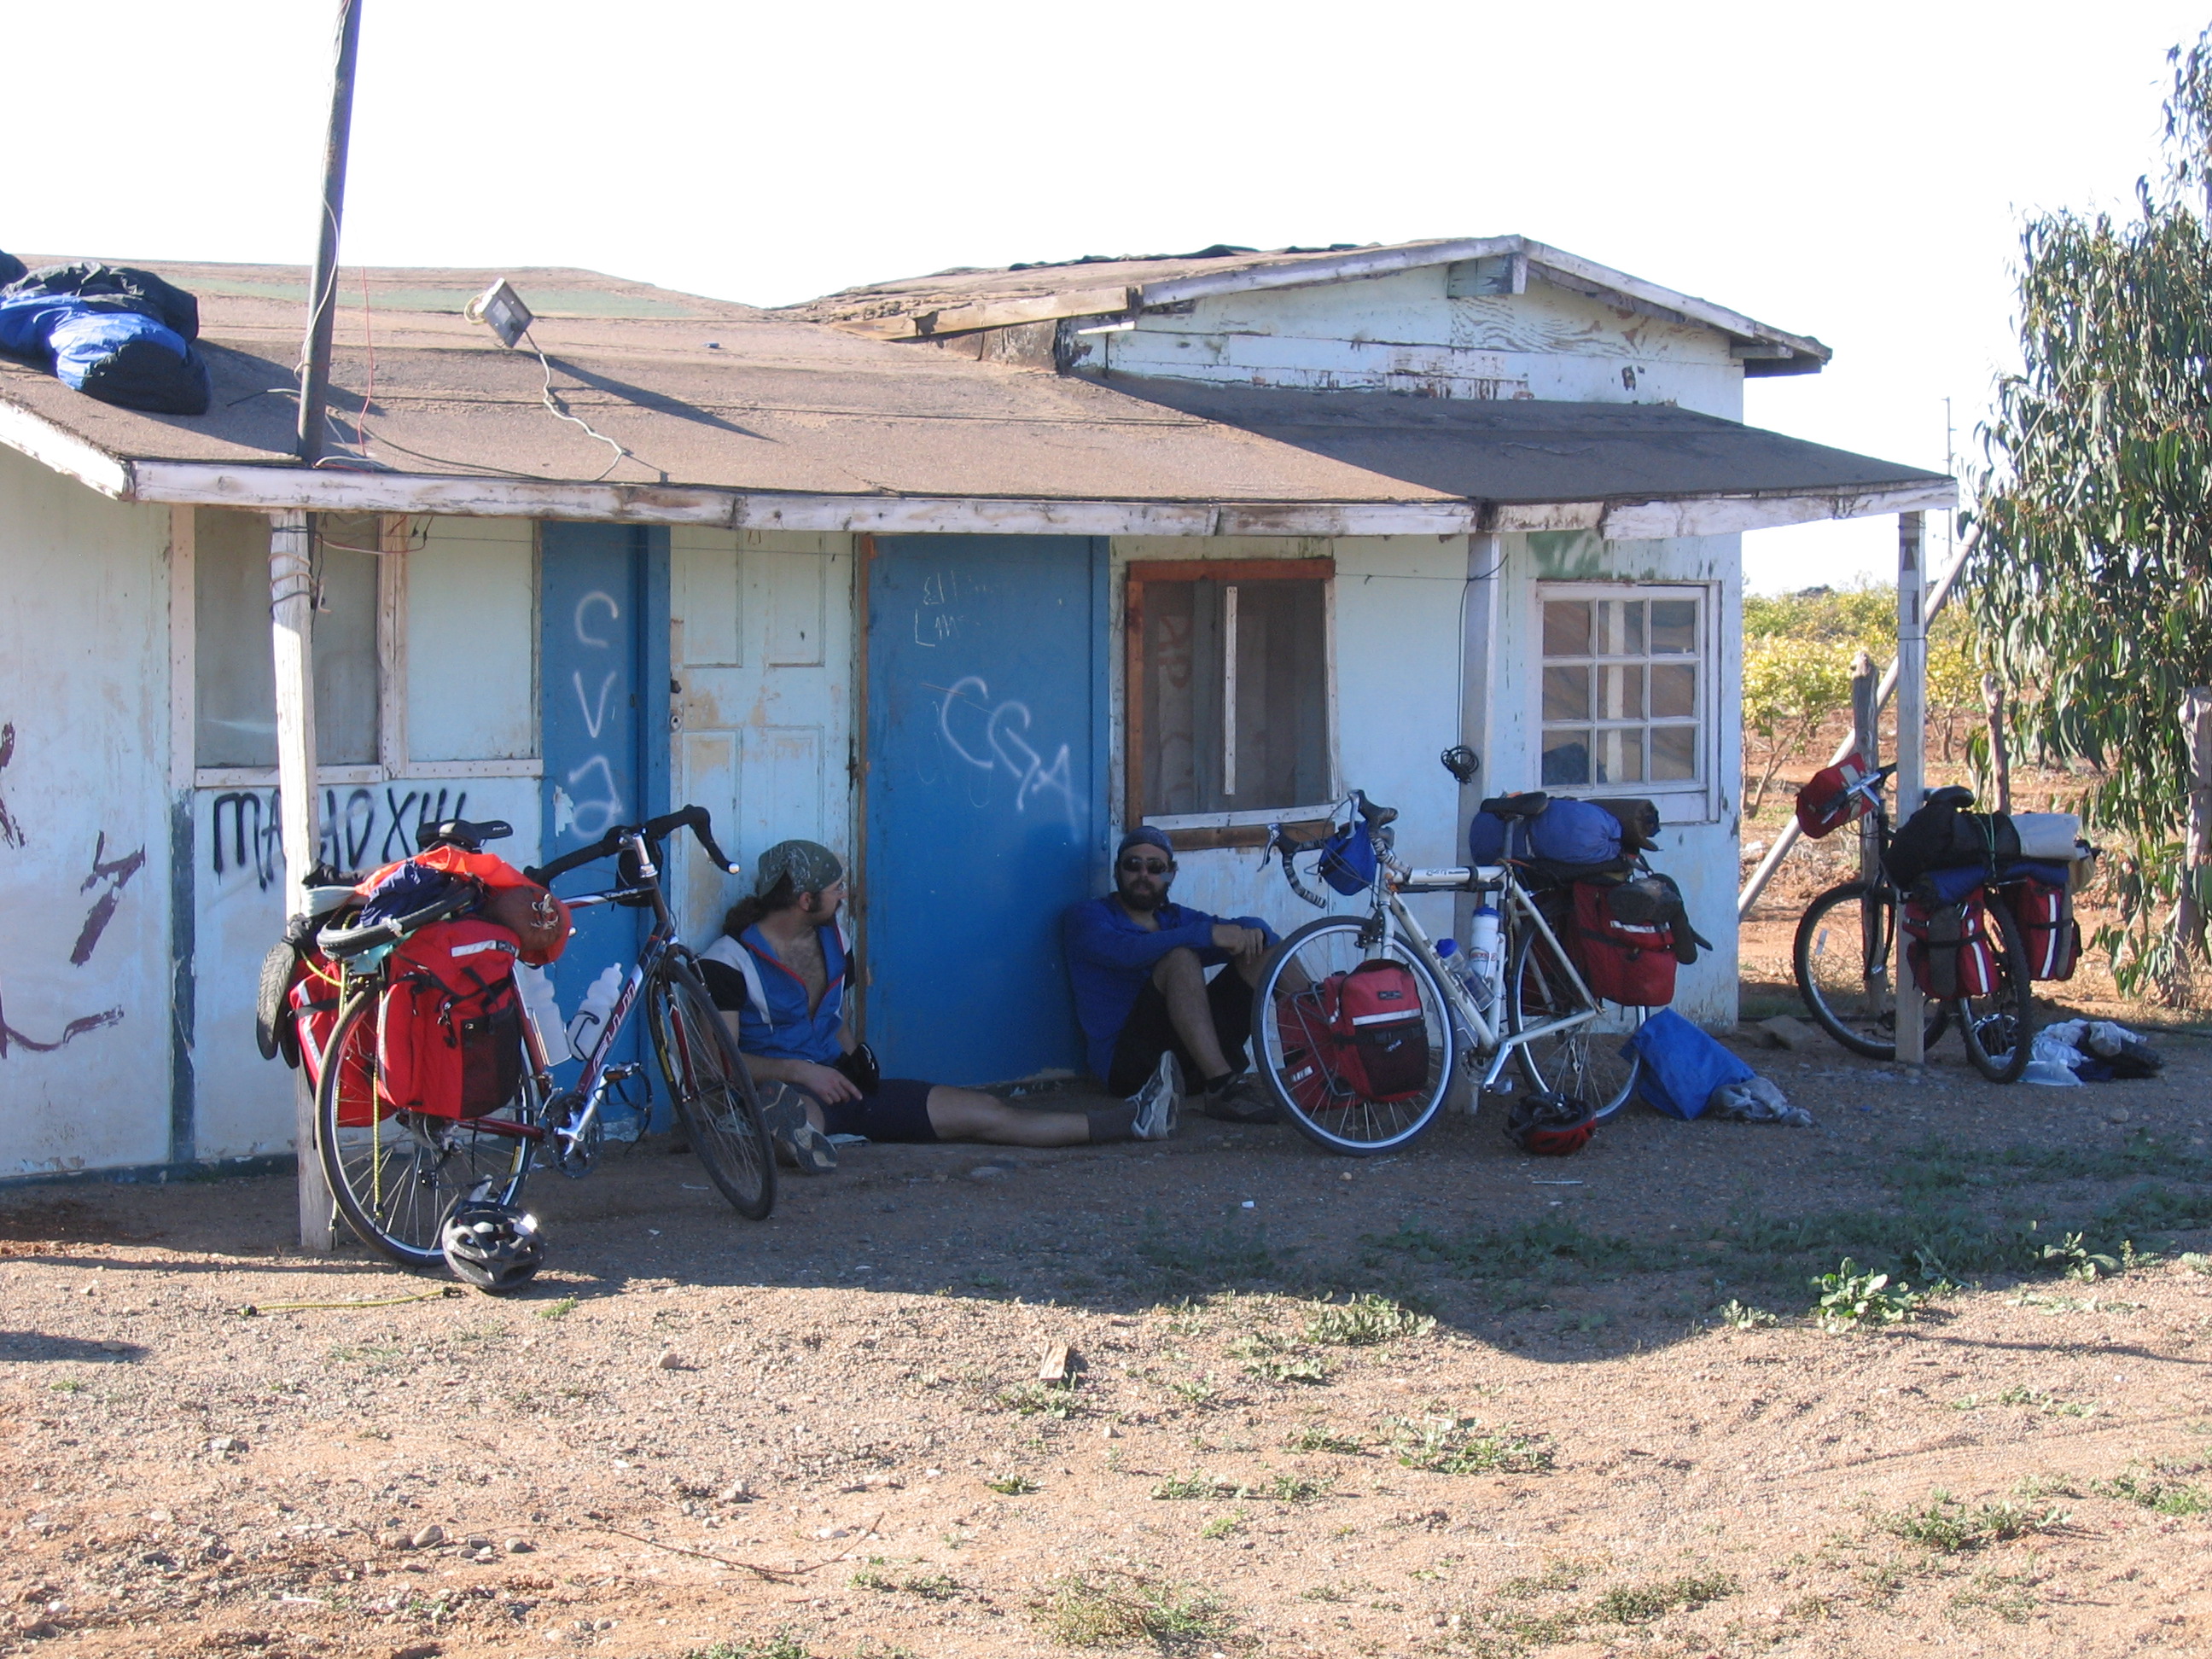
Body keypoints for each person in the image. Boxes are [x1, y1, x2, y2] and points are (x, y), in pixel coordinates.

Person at [697, 840, 1177, 1174]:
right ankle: (766, 1133)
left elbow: (832, 1022)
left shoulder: (833, 938)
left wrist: (852, 1060)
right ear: (805, 899)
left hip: (842, 1087)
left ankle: (1132, 1121)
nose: (844, 895)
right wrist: (801, 1073)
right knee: (796, 1118)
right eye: (835, 889)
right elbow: (721, 1062)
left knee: (985, 1112)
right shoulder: (727, 962)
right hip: (790, 1091)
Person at [1062, 826, 1280, 1123]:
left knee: (1267, 954)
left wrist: (1253, 930)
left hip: (1188, 1065)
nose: (1143, 875)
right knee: (1180, 957)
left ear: (1170, 875)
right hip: (1132, 1071)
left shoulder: (1174, 918)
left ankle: (1331, 1066)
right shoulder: (1087, 917)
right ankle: (1222, 1089)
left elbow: (1252, 930)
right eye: (1132, 865)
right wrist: (1207, 934)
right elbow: (1128, 951)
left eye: (1155, 868)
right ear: (1117, 871)